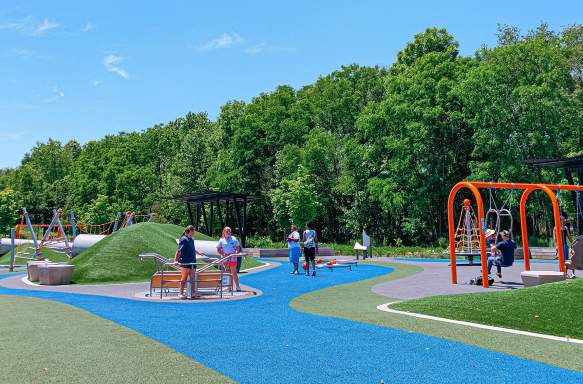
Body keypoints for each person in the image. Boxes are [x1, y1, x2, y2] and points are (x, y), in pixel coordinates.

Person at [175, 225, 205, 299]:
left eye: (193, 232)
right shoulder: (183, 239)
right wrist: (175, 260)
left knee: (192, 278)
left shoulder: (191, 239)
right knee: (184, 278)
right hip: (185, 261)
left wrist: (199, 253)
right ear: (188, 232)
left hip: (192, 261)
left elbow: (192, 249)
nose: (193, 234)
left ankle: (193, 293)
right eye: (192, 232)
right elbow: (178, 251)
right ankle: (181, 293)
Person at [217, 226, 242, 292]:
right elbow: (218, 249)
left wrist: (235, 253)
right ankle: (229, 287)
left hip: (233, 258)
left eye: (229, 231)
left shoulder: (234, 239)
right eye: (227, 231)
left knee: (234, 272)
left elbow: (237, 248)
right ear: (224, 232)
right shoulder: (221, 240)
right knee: (227, 272)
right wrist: (224, 254)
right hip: (225, 259)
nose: (228, 232)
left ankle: (237, 286)